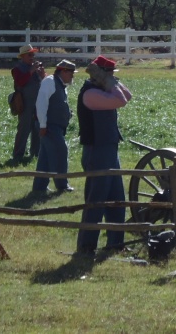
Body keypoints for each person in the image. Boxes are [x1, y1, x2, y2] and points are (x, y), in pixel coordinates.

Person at [76, 55, 132, 256]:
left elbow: (128, 94)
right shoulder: (90, 94)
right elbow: (121, 100)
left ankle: (116, 243)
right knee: (95, 201)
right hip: (97, 151)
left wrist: (110, 80)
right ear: (100, 75)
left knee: (117, 199)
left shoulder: (102, 88)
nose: (112, 78)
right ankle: (86, 245)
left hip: (109, 150)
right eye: (109, 74)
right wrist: (107, 81)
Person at [31, 60, 77, 194]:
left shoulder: (59, 84)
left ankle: (39, 186)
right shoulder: (49, 82)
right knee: (60, 152)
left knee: (45, 158)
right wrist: (43, 125)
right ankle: (62, 184)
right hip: (49, 126)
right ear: (63, 71)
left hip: (53, 125)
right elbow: (41, 104)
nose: (72, 76)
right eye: (71, 73)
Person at [11, 44, 46, 162]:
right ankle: (18, 154)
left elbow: (44, 81)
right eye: (29, 54)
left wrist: (42, 75)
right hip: (25, 103)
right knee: (24, 129)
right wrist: (31, 71)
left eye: (33, 54)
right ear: (23, 56)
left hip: (38, 102)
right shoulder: (17, 69)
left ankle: (35, 153)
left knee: (37, 129)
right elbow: (20, 82)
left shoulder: (36, 67)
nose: (32, 57)